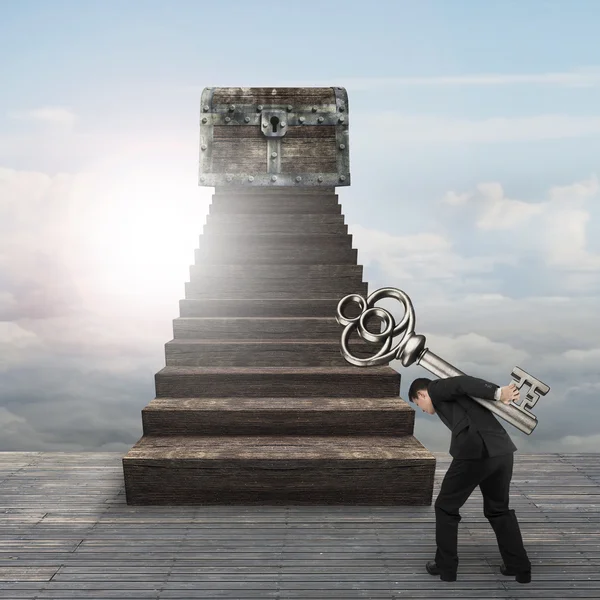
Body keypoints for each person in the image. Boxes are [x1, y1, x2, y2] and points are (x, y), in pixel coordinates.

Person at [407, 374, 532, 584]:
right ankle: (519, 568)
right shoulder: (455, 402)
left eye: (419, 404)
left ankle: (446, 568)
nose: (423, 410)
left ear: (421, 394)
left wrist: (499, 393)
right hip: (502, 451)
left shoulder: (436, 389)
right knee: (498, 510)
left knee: (445, 507)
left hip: (475, 453)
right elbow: (464, 391)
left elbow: (461, 382)